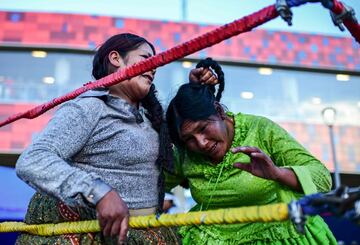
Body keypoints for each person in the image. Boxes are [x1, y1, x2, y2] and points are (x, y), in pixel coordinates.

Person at [15, 33, 218, 244]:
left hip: (146, 232)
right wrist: (99, 193)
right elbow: (32, 160)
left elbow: (188, 136)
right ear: (115, 59)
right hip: (90, 234)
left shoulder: (153, 117)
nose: (154, 67)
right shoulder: (89, 107)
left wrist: (196, 90)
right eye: (146, 58)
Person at [165, 58, 337, 244]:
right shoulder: (185, 153)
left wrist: (278, 173)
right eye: (189, 138)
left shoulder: (261, 130)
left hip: (277, 236)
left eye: (203, 128)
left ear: (219, 111)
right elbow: (151, 182)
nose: (202, 143)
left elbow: (322, 179)